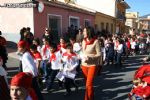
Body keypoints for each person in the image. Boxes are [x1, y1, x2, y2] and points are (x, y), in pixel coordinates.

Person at [81, 26, 101, 100]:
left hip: (92, 65)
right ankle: (91, 97)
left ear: (89, 32)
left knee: (88, 84)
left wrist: (91, 58)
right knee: (88, 85)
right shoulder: (83, 41)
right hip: (84, 65)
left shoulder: (96, 41)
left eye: (84, 31)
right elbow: (82, 52)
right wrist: (80, 56)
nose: (83, 33)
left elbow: (99, 54)